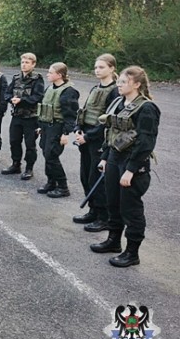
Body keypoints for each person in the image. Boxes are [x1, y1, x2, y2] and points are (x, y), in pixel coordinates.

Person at [90, 66, 160, 267]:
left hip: (132, 163)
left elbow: (146, 142)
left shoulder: (147, 108)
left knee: (130, 208)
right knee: (113, 202)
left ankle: (132, 252)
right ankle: (113, 241)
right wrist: (105, 156)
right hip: (114, 158)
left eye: (123, 82)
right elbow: (110, 131)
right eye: (118, 81)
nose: (119, 85)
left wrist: (130, 170)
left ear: (137, 84)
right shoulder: (118, 102)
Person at [73, 54, 119, 231]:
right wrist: (78, 128)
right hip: (86, 138)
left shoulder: (114, 91)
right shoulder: (95, 88)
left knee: (97, 179)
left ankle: (103, 217)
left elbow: (107, 121)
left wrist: (88, 136)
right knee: (85, 176)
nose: (97, 70)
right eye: (96, 67)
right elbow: (85, 111)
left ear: (111, 68)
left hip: (99, 141)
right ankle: (93, 210)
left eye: (101, 67)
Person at [36, 63, 80, 198]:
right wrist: (40, 126)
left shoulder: (68, 91)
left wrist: (65, 133)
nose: (47, 74)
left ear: (59, 75)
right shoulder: (50, 88)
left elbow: (70, 115)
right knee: (46, 154)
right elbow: (44, 108)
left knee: (52, 156)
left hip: (57, 127)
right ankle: (51, 182)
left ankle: (63, 187)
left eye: (50, 72)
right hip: (46, 126)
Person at [2, 52, 45, 180]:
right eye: (22, 62)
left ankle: (29, 168)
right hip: (17, 116)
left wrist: (22, 100)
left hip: (31, 118)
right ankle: (16, 164)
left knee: (30, 144)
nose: (24, 65)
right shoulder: (16, 78)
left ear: (33, 64)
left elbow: (38, 97)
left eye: (27, 62)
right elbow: (7, 93)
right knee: (14, 141)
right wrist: (11, 99)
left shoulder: (37, 79)